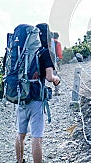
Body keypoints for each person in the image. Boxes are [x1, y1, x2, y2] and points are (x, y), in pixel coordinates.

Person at [15, 23, 60, 163]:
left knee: (20, 134)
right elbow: (48, 77)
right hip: (36, 99)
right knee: (37, 137)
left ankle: (19, 161)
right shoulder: (45, 52)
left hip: (20, 97)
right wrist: (55, 79)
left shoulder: (22, 50)